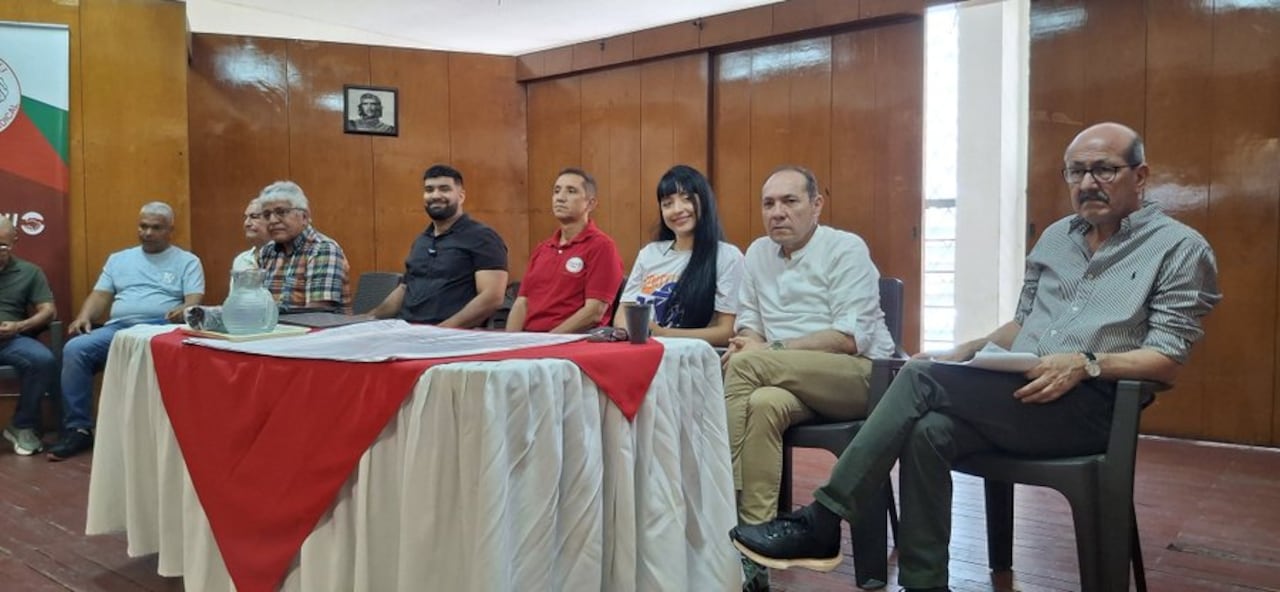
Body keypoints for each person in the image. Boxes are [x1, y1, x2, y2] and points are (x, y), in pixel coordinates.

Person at [729, 123, 1222, 592]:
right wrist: (965, 348)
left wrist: (1086, 363)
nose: (1088, 182)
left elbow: (1166, 358)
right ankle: (924, 582)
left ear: (1140, 176)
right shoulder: (1056, 238)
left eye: (1104, 169)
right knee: (928, 430)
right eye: (1076, 171)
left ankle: (824, 517)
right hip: (1023, 395)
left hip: (1092, 405)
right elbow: (1023, 325)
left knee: (922, 377)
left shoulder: (1178, 247)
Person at [720, 165, 896, 591]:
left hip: (859, 376)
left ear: (816, 206)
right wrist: (748, 341)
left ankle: (723, 500)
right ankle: (753, 549)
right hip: (786, 381)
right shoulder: (758, 252)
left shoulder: (845, 248)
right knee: (762, 404)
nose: (777, 212)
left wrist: (764, 353)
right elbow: (750, 324)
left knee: (746, 367)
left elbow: (848, 338)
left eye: (790, 201)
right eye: (769, 204)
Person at [51, 202, 205, 461]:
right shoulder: (119, 259)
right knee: (75, 349)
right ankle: (78, 429)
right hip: (119, 330)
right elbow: (100, 295)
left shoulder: (187, 261)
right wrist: (84, 316)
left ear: (170, 230)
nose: (147, 232)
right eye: (143, 226)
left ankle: (167, 433)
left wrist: (182, 310)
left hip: (161, 328)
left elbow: (194, 302)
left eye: (156, 228)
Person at [613, 165, 743, 346]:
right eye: (667, 204)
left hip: (689, 357)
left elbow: (727, 331)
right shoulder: (649, 254)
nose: (677, 209)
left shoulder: (727, 256)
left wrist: (663, 334)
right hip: (639, 351)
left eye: (687, 199)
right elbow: (622, 315)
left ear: (704, 201)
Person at [369, 164, 509, 327]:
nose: (435, 195)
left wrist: (441, 330)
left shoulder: (483, 238)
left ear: (461, 196)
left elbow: (492, 297)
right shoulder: (421, 241)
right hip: (407, 331)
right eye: (429, 190)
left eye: (444, 189)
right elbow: (404, 289)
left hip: (452, 337)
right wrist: (368, 319)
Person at [506, 168, 623, 333]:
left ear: (590, 203)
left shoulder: (602, 246)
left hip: (570, 342)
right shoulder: (543, 249)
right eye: (556, 191)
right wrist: (510, 344)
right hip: (531, 341)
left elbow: (594, 311)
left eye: (571, 191)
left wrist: (548, 341)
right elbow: (522, 302)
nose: (560, 198)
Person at [0, 218, 58, 456]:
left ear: (14, 241)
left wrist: (19, 326)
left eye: (1, 246)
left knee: (43, 360)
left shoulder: (29, 272)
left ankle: (22, 424)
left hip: (10, 339)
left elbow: (48, 310)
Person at [254, 181, 351, 313]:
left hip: (320, 331)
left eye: (281, 212)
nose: (272, 220)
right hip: (275, 329)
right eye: (266, 215)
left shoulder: (322, 249)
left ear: (304, 217)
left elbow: (317, 313)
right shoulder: (267, 252)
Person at [232, 200, 270, 272]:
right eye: (245, 217)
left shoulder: (285, 258)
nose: (246, 223)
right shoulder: (241, 260)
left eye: (254, 217)